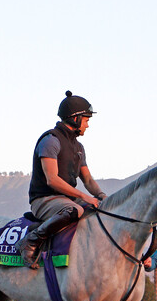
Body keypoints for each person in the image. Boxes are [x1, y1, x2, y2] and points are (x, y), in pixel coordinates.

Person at [15, 90, 107, 268]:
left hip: (66, 199)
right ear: (75, 118)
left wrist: (103, 196)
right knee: (75, 211)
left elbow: (87, 179)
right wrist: (86, 197)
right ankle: (31, 241)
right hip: (45, 199)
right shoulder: (51, 140)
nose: (88, 125)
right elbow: (52, 180)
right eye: (86, 120)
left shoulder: (78, 146)